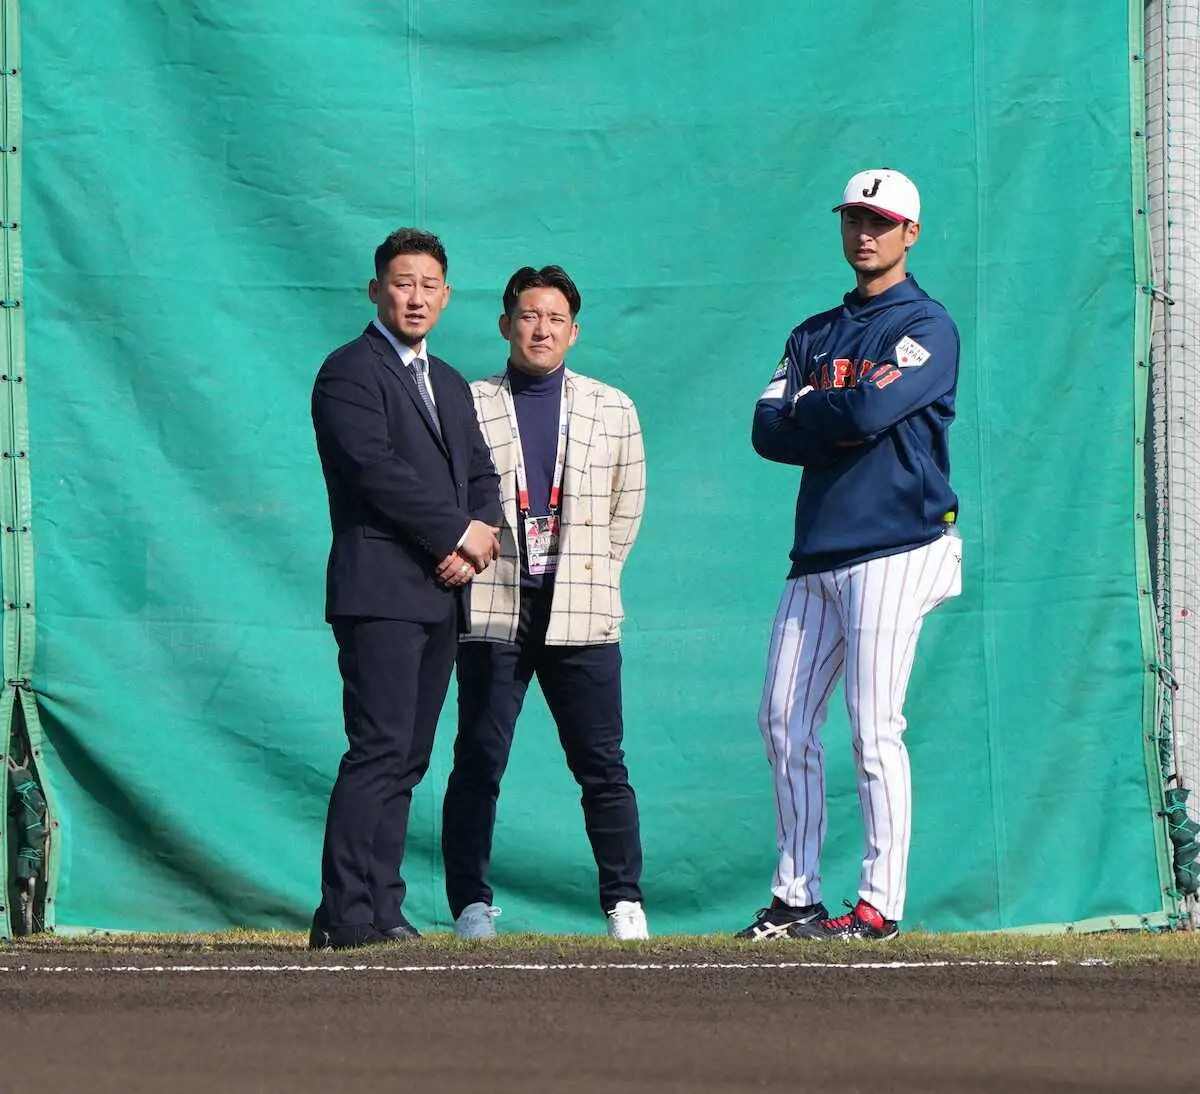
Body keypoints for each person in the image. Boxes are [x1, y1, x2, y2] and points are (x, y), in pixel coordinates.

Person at [740, 169, 963, 942]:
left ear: (910, 233)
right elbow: (766, 431)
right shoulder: (813, 333)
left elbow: (870, 409)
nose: (864, 233)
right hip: (818, 550)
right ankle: (795, 897)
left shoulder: (927, 326)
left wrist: (812, 406)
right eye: (854, 219)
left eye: (880, 221)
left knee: (873, 728)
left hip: (897, 544)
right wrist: (829, 414)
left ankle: (878, 906)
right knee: (782, 720)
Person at [440, 264, 650, 941]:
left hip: (583, 610)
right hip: (493, 608)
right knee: (478, 761)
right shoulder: (468, 401)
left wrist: (594, 573)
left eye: (555, 319)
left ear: (574, 332)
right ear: (506, 324)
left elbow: (626, 508)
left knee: (603, 766)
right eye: (529, 316)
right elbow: (448, 496)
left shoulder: (612, 407)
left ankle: (624, 903)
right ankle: (470, 906)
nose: (541, 329)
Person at [309, 227, 502, 950]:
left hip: (440, 594)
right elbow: (374, 471)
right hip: (379, 591)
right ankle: (344, 912)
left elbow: (480, 473)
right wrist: (455, 533)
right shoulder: (348, 372)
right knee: (379, 748)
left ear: (446, 296)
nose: (415, 297)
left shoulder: (448, 381)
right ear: (375, 290)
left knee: (411, 757)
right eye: (401, 283)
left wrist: (474, 545)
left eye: (428, 286)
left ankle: (382, 906)